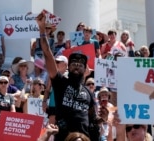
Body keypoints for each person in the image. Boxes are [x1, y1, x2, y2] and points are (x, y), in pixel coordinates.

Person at [36, 12, 108, 141]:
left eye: (80, 65)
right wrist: (42, 30)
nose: (77, 66)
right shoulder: (60, 83)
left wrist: (103, 118)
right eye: (74, 64)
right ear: (68, 67)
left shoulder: (88, 93)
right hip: (64, 137)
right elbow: (47, 53)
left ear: (85, 69)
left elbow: (93, 119)